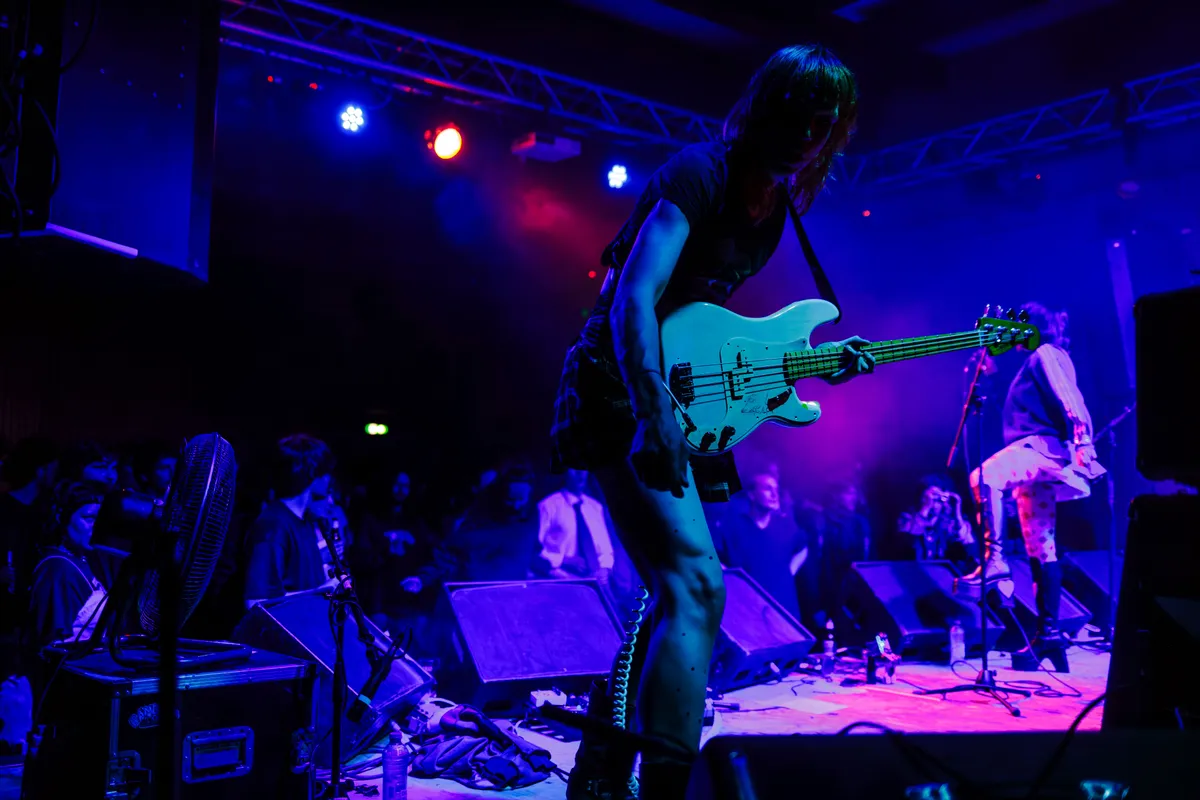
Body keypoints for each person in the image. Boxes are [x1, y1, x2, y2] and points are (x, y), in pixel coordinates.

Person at [549, 44, 872, 799]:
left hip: (686, 395)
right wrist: (654, 410)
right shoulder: (698, 173)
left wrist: (807, 363)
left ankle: (601, 769)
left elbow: (710, 323)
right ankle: (665, 785)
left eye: (823, 125)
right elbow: (633, 297)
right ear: (764, 107)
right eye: (796, 116)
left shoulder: (781, 208)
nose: (806, 136)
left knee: (668, 595)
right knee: (697, 584)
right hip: (621, 387)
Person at [966, 303, 1104, 673]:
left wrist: (1084, 442)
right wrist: (988, 372)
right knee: (1042, 544)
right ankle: (1049, 635)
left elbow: (1070, 398)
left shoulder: (1046, 353)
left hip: (1042, 449)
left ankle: (994, 559)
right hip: (1034, 457)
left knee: (983, 477)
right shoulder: (1032, 362)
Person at [243, 435, 338, 609]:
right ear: (312, 473)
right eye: (326, 472)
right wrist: (321, 592)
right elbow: (256, 602)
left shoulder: (305, 522)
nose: (329, 479)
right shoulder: (273, 526)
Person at [710, 471, 807, 620]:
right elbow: (714, 558)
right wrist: (733, 582)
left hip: (784, 609)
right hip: (749, 610)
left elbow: (803, 548)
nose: (774, 494)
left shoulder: (785, 525)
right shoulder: (734, 526)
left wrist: (789, 571)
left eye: (776, 490)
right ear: (752, 495)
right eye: (768, 489)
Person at [26, 482, 107, 656]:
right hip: (71, 669)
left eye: (100, 519)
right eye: (89, 518)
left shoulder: (88, 560)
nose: (97, 526)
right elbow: (51, 645)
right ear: (62, 518)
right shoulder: (57, 568)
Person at [536, 469, 617, 584]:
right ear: (564, 472)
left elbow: (605, 549)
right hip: (561, 581)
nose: (580, 473)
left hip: (593, 583)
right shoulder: (548, 506)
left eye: (583, 469)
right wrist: (563, 560)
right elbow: (534, 551)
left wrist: (605, 568)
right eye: (574, 468)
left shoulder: (595, 507)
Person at [897, 474, 976, 567]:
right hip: (911, 570)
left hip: (942, 573)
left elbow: (970, 549)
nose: (934, 502)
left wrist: (957, 512)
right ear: (920, 498)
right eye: (930, 497)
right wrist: (925, 508)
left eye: (938, 499)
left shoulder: (948, 523)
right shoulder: (907, 519)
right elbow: (907, 544)